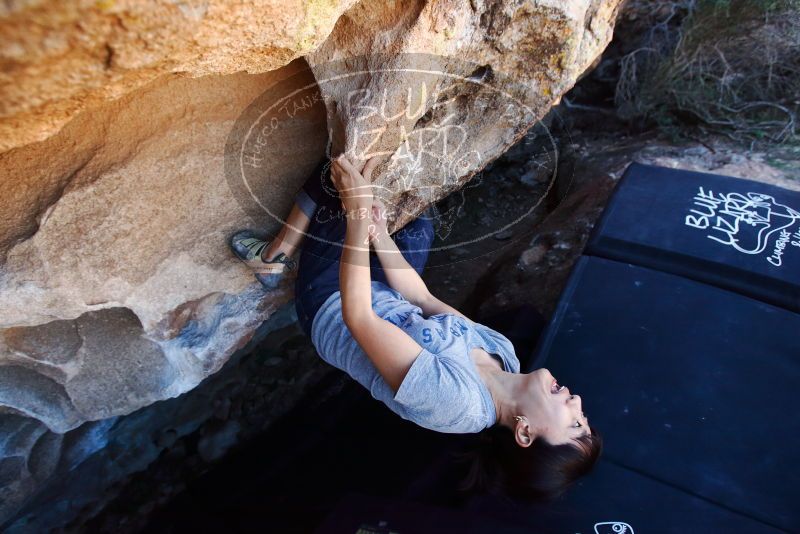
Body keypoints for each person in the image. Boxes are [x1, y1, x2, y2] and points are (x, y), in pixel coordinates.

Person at [230, 154, 602, 500]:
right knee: (416, 222)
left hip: (332, 306)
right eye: (585, 418)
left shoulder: (456, 405)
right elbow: (423, 300)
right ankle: (338, 230)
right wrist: (376, 231)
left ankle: (274, 255)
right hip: (387, 299)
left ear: (524, 432)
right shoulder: (505, 357)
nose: (578, 403)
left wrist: (357, 213)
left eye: (574, 424)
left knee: (343, 173)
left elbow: (359, 316)